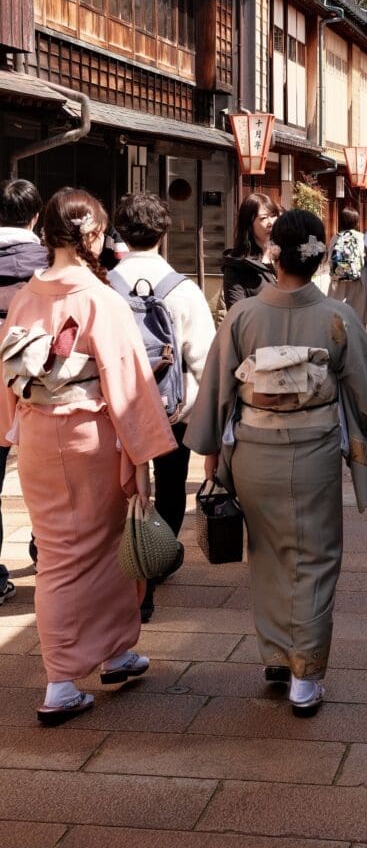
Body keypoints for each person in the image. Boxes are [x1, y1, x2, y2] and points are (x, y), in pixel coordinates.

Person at [185, 209, 367, 715]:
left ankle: (276, 656)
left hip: (253, 454)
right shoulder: (338, 317)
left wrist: (210, 450)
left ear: (275, 254)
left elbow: (218, 390)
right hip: (312, 453)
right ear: (319, 256)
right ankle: (305, 675)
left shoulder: (242, 317)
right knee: (315, 558)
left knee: (266, 554)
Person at [0, 187, 176, 724]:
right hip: (90, 438)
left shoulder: (30, 295)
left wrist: (10, 428)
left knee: (66, 552)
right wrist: (141, 457)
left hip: (37, 436)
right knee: (80, 557)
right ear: (93, 235)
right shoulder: (99, 299)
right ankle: (59, 682)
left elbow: (11, 372)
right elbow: (130, 384)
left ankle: (117, 651)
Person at [110, 192, 217, 621]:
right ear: (163, 233)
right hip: (172, 410)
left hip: (121, 412)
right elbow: (204, 360)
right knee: (172, 486)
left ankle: (131, 569)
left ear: (121, 232)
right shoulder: (183, 289)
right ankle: (157, 561)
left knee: (126, 490)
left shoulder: (106, 287)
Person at [0, 179, 49, 603]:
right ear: (36, 217)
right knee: (47, 477)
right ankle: (44, 551)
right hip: (37, 384)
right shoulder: (48, 266)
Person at [221, 193, 279, 309]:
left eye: (273, 216)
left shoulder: (286, 255)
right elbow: (237, 316)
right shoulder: (236, 266)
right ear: (249, 225)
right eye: (263, 218)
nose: (271, 223)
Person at [327, 207, 367, 326]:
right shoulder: (361, 237)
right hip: (358, 279)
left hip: (338, 280)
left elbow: (330, 259)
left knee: (336, 313)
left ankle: (337, 339)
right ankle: (358, 341)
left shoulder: (335, 238)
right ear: (356, 221)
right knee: (358, 316)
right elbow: (366, 258)